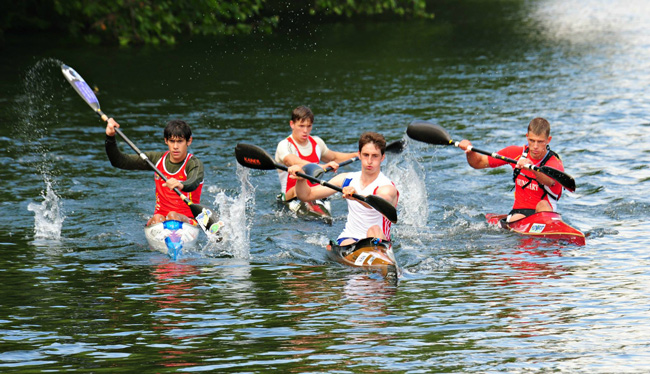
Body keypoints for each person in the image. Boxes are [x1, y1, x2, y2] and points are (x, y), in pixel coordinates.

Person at [288, 132, 398, 246]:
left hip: (378, 238)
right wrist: (301, 179)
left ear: (382, 157)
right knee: (332, 247)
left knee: (374, 230)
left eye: (375, 156)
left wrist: (356, 197)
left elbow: (378, 202)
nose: (369, 161)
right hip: (350, 238)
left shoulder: (387, 187)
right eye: (366, 155)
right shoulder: (347, 179)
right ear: (359, 155)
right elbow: (306, 195)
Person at [458, 117, 564, 222]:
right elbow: (478, 162)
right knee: (518, 218)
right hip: (519, 213)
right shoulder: (515, 153)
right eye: (532, 140)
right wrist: (470, 151)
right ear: (527, 137)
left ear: (548, 140)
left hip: (545, 213)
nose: (535, 146)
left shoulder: (554, 163)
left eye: (540, 141)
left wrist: (532, 169)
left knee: (543, 204)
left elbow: (550, 181)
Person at [105, 118, 204, 226]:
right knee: (158, 218)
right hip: (160, 219)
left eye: (180, 141)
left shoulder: (194, 163)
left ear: (189, 141)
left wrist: (181, 184)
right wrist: (110, 137)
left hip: (187, 220)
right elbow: (119, 161)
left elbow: (194, 181)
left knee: (172, 215)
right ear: (166, 141)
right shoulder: (156, 159)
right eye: (172, 141)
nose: (175, 147)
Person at [275, 106, 358, 202]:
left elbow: (334, 157)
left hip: (313, 193)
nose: (305, 131)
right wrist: (322, 167)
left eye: (309, 126)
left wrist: (356, 155)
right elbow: (295, 162)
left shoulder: (317, 142)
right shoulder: (285, 145)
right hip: (291, 196)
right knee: (296, 190)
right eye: (301, 126)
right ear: (292, 124)